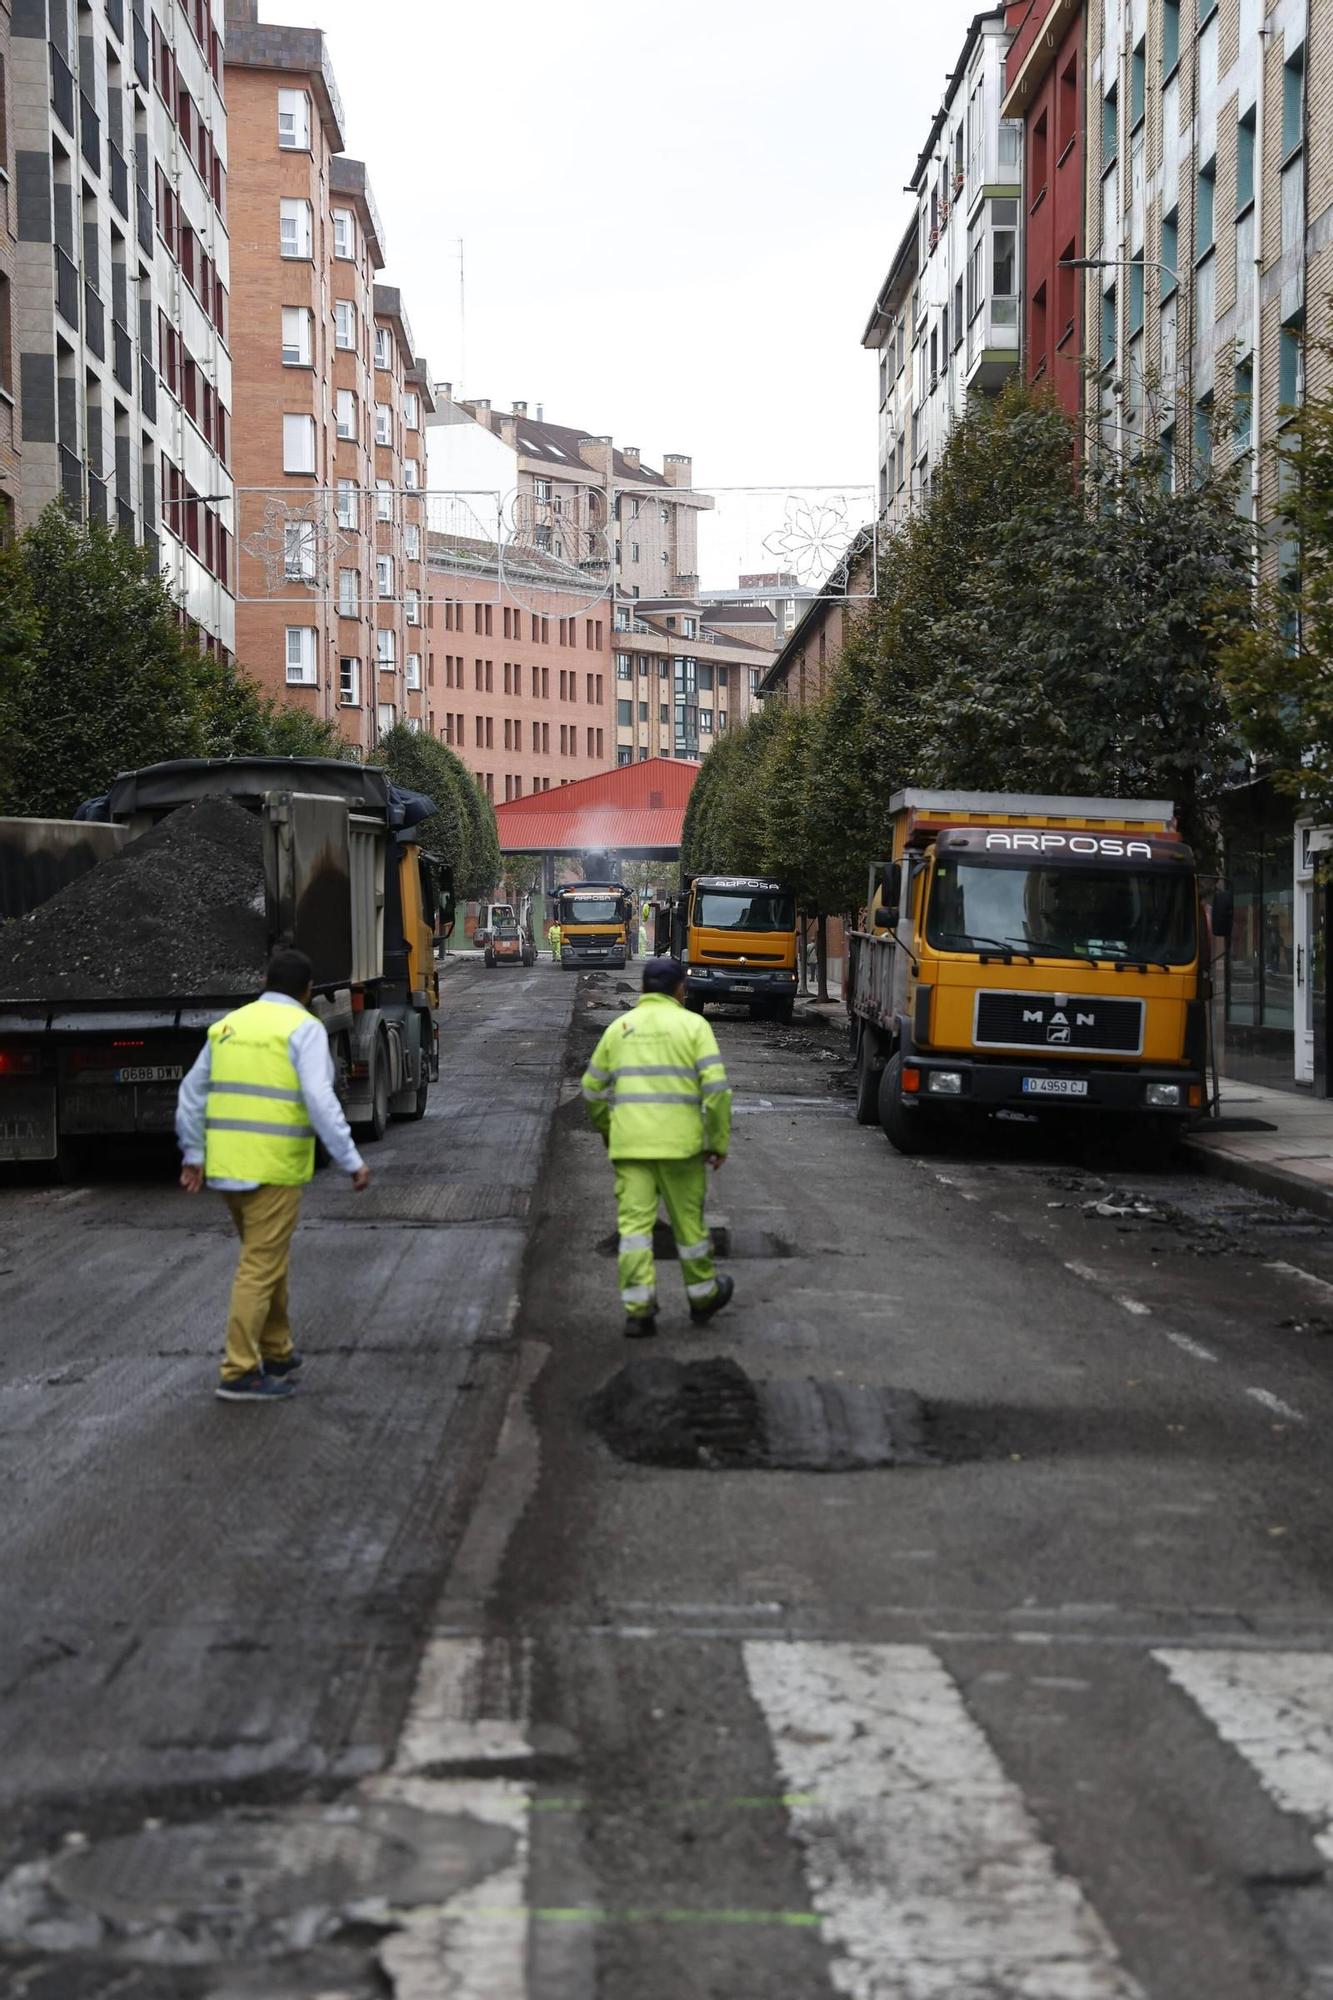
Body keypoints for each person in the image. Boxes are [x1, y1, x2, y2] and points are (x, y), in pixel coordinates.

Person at [176, 946, 371, 1403]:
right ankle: (239, 1370)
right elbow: (321, 1100)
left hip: (226, 1170)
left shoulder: (229, 1025)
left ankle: (278, 1350)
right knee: (259, 1267)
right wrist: (351, 1160)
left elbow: (191, 1093)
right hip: (273, 1168)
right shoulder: (303, 1028)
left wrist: (193, 1153)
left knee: (268, 1258)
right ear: (307, 991)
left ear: (266, 981)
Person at [581, 957, 734, 1337]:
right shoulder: (693, 1026)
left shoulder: (621, 1028)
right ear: (680, 988)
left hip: (630, 1148)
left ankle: (639, 1311)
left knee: (633, 1230)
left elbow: (591, 1090)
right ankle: (702, 1296)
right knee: (690, 1228)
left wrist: (608, 1130)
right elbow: (716, 1093)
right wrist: (716, 1142)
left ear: (645, 988)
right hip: (681, 1149)